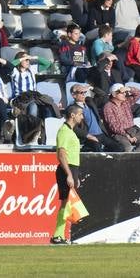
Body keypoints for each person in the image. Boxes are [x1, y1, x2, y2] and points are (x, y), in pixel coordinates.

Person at [51, 104, 86, 245]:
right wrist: (69, 174)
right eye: (80, 114)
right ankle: (57, 235)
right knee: (66, 203)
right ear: (73, 115)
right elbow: (62, 154)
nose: (82, 117)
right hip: (68, 169)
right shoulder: (64, 131)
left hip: (72, 168)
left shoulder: (70, 131)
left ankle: (61, 235)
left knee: (68, 204)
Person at [101, 84, 140, 152]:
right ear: (114, 94)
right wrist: (127, 135)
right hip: (118, 134)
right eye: (122, 93)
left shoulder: (126, 102)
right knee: (127, 147)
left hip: (131, 130)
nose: (125, 94)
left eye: (125, 92)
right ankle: (130, 159)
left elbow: (139, 94)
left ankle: (134, 158)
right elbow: (113, 126)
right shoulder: (108, 107)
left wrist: (128, 88)